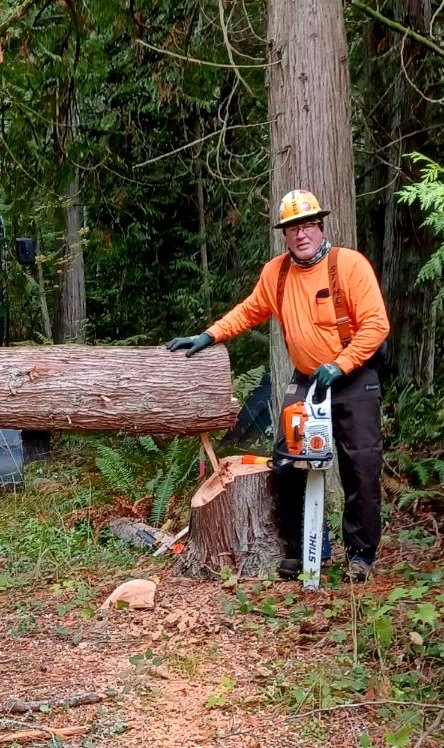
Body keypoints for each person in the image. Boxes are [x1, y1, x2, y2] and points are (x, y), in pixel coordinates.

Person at [167, 189, 390, 583]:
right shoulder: (277, 273)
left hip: (353, 379)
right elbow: (250, 310)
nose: (301, 234)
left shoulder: (349, 265)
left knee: (361, 468)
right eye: (292, 228)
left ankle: (361, 556)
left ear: (319, 226)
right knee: (287, 464)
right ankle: (306, 550)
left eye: (307, 225)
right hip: (307, 381)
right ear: (284, 234)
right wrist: (208, 335)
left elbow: (376, 325)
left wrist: (340, 365)